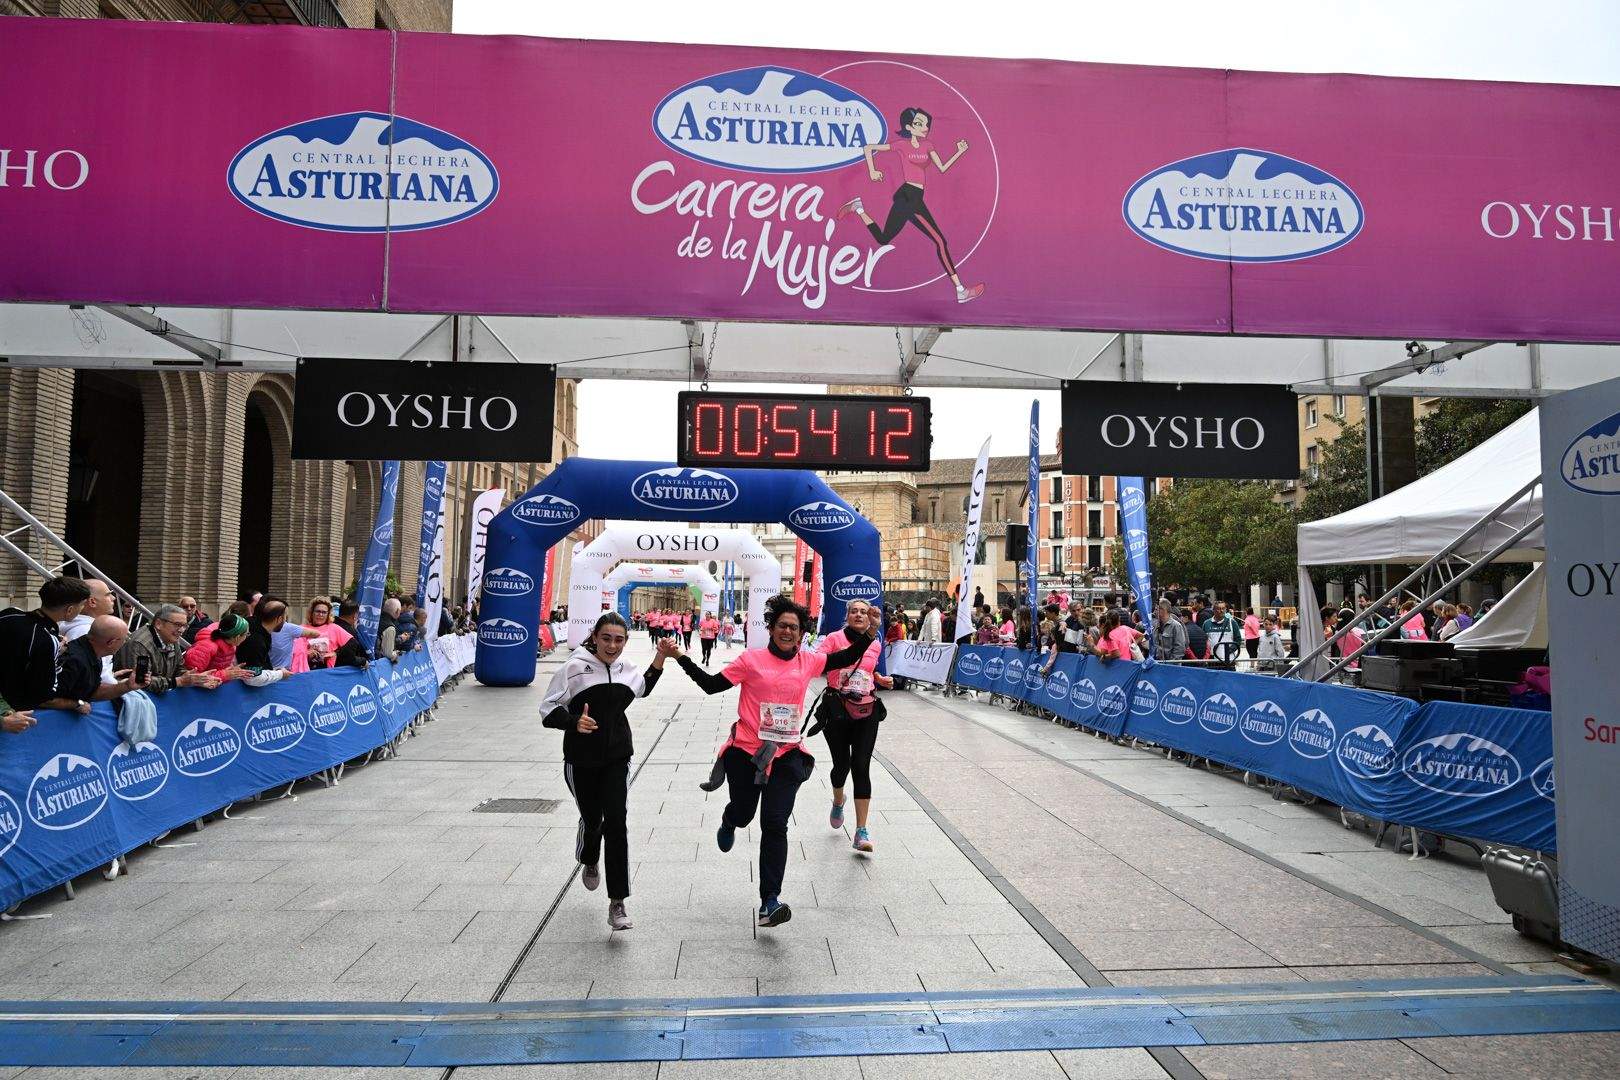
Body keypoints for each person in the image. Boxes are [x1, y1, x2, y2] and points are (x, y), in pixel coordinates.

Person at [667, 595, 874, 928]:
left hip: (787, 755)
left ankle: (769, 902)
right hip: (747, 752)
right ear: (771, 628)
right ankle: (730, 819)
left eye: (794, 627)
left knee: (775, 824)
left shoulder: (808, 662)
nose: (787, 632)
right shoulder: (751, 660)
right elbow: (709, 686)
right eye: (782, 626)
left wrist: (869, 632)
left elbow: (846, 656)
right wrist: (680, 657)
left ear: (802, 632)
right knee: (746, 812)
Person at [539, 612, 670, 932]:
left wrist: (660, 658)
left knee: (616, 822)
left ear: (626, 641)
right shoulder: (573, 668)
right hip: (580, 760)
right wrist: (573, 722)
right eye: (606, 638)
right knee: (592, 819)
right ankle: (588, 856)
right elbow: (547, 710)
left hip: (617, 757)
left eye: (619, 639)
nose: (612, 645)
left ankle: (618, 901)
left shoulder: (626, 668)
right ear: (595, 636)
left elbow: (642, 688)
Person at [840, 107, 984, 304]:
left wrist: (958, 152)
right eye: (919, 124)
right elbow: (868, 148)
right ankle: (960, 290)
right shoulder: (901, 145)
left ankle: (859, 208)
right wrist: (872, 171)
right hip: (908, 196)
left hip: (914, 197)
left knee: (883, 239)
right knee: (940, 241)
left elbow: (942, 167)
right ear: (909, 127)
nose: (924, 127)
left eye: (926, 124)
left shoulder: (928, 145)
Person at [817, 599, 893, 853]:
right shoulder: (834, 639)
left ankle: (861, 830)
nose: (859, 615)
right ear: (847, 615)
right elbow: (821, 664)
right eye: (854, 611)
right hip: (837, 710)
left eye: (864, 611)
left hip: (866, 709)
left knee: (861, 765)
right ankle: (839, 800)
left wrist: (880, 679)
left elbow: (871, 671)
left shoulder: (875, 642)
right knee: (842, 766)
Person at [0, 575, 91, 711]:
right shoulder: (46, 639)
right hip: (10, 712)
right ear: (70, 609)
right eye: (82, 604)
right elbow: (43, 697)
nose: (82, 609)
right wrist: (78, 704)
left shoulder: (9, 613)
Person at [114, 603, 220, 693]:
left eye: (184, 626)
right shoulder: (139, 644)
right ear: (159, 624)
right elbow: (139, 681)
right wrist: (178, 681)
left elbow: (179, 668)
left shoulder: (172, 639)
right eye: (177, 624)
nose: (181, 630)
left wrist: (195, 678)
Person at [47, 615, 142, 712]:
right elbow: (45, 699)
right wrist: (76, 704)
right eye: (124, 640)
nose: (124, 643)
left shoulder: (92, 651)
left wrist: (127, 685)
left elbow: (92, 691)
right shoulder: (75, 661)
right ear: (111, 643)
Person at [184, 611, 253, 680]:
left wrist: (232, 671)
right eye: (246, 634)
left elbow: (219, 668)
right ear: (237, 637)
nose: (246, 637)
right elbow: (192, 676)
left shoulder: (230, 645)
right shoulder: (206, 647)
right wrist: (225, 674)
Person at [292, 596, 352, 672]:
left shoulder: (334, 628)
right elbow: (293, 653)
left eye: (324, 612)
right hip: (305, 671)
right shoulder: (301, 629)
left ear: (328, 614)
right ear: (311, 613)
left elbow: (352, 646)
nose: (320, 614)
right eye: (318, 611)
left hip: (327, 672)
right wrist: (306, 654)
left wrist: (335, 654)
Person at [330, 600, 372, 668]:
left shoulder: (330, 625)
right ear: (355, 615)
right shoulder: (350, 632)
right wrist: (363, 661)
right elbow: (349, 658)